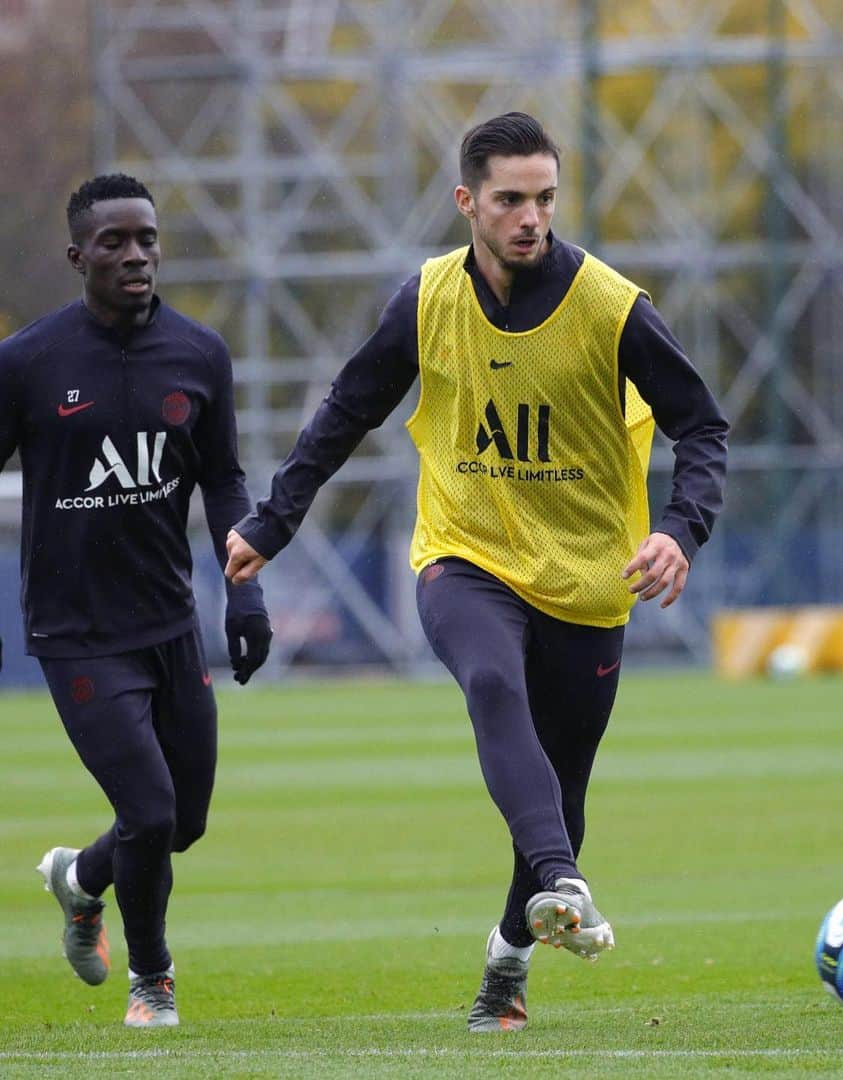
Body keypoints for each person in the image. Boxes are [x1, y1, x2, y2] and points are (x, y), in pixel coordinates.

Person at [224, 112, 728, 1032]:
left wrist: (680, 531)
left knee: (560, 790)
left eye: (544, 197)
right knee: (493, 683)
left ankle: (506, 963)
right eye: (509, 199)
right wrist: (275, 519)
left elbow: (704, 425)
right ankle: (566, 881)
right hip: (466, 554)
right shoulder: (425, 301)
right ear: (467, 202)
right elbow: (348, 408)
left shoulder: (615, 309)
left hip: (588, 576)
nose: (530, 216)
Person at [0, 174, 272, 1028]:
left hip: (169, 621)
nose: (135, 255)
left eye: (147, 239)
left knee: (180, 822)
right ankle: (152, 980)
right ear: (79, 256)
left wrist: (244, 593)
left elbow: (224, 480)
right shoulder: (29, 362)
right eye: (114, 242)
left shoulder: (200, 353)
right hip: (76, 630)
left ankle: (81, 879)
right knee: (147, 811)